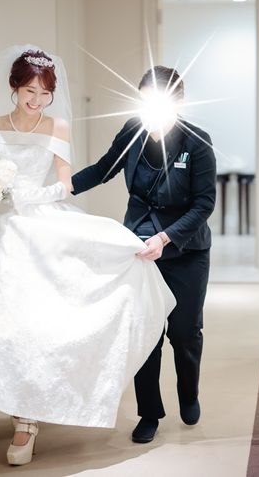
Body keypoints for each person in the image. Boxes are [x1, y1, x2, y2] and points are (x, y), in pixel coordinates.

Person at [0, 46, 176, 466]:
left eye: (44, 93)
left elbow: (64, 185)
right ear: (14, 87)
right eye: (29, 91)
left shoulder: (57, 127)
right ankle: (0, 398)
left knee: (37, 325)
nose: (36, 100)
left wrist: (25, 197)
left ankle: (26, 421)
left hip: (39, 226)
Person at [72, 65, 217, 444]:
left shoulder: (197, 142)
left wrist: (166, 238)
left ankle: (189, 394)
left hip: (185, 248)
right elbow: (102, 170)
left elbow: (204, 204)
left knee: (184, 332)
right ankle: (149, 412)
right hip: (138, 248)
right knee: (145, 332)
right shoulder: (132, 132)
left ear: (179, 102)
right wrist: (58, 190)